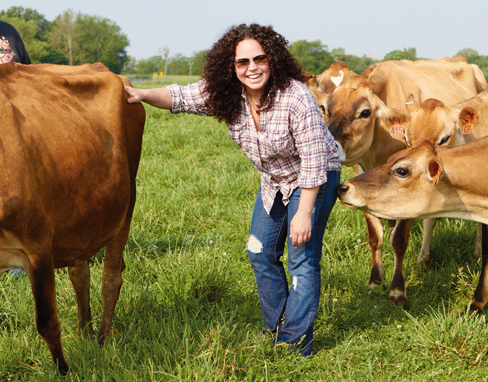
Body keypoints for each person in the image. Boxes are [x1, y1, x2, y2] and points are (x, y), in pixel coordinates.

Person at [124, 23, 341, 356]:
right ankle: (276, 325)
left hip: (314, 180)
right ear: (232, 67)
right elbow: (179, 97)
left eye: (259, 59)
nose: (252, 68)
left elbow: (313, 161)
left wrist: (303, 214)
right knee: (260, 252)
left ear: (273, 60)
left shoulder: (296, 97)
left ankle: (294, 344)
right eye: (243, 62)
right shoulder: (227, 94)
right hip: (273, 181)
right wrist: (140, 94)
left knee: (302, 259)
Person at [1, 20, 31, 279]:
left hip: (15, 124)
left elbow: (29, 74)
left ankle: (17, 260)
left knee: (18, 188)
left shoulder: (8, 31)